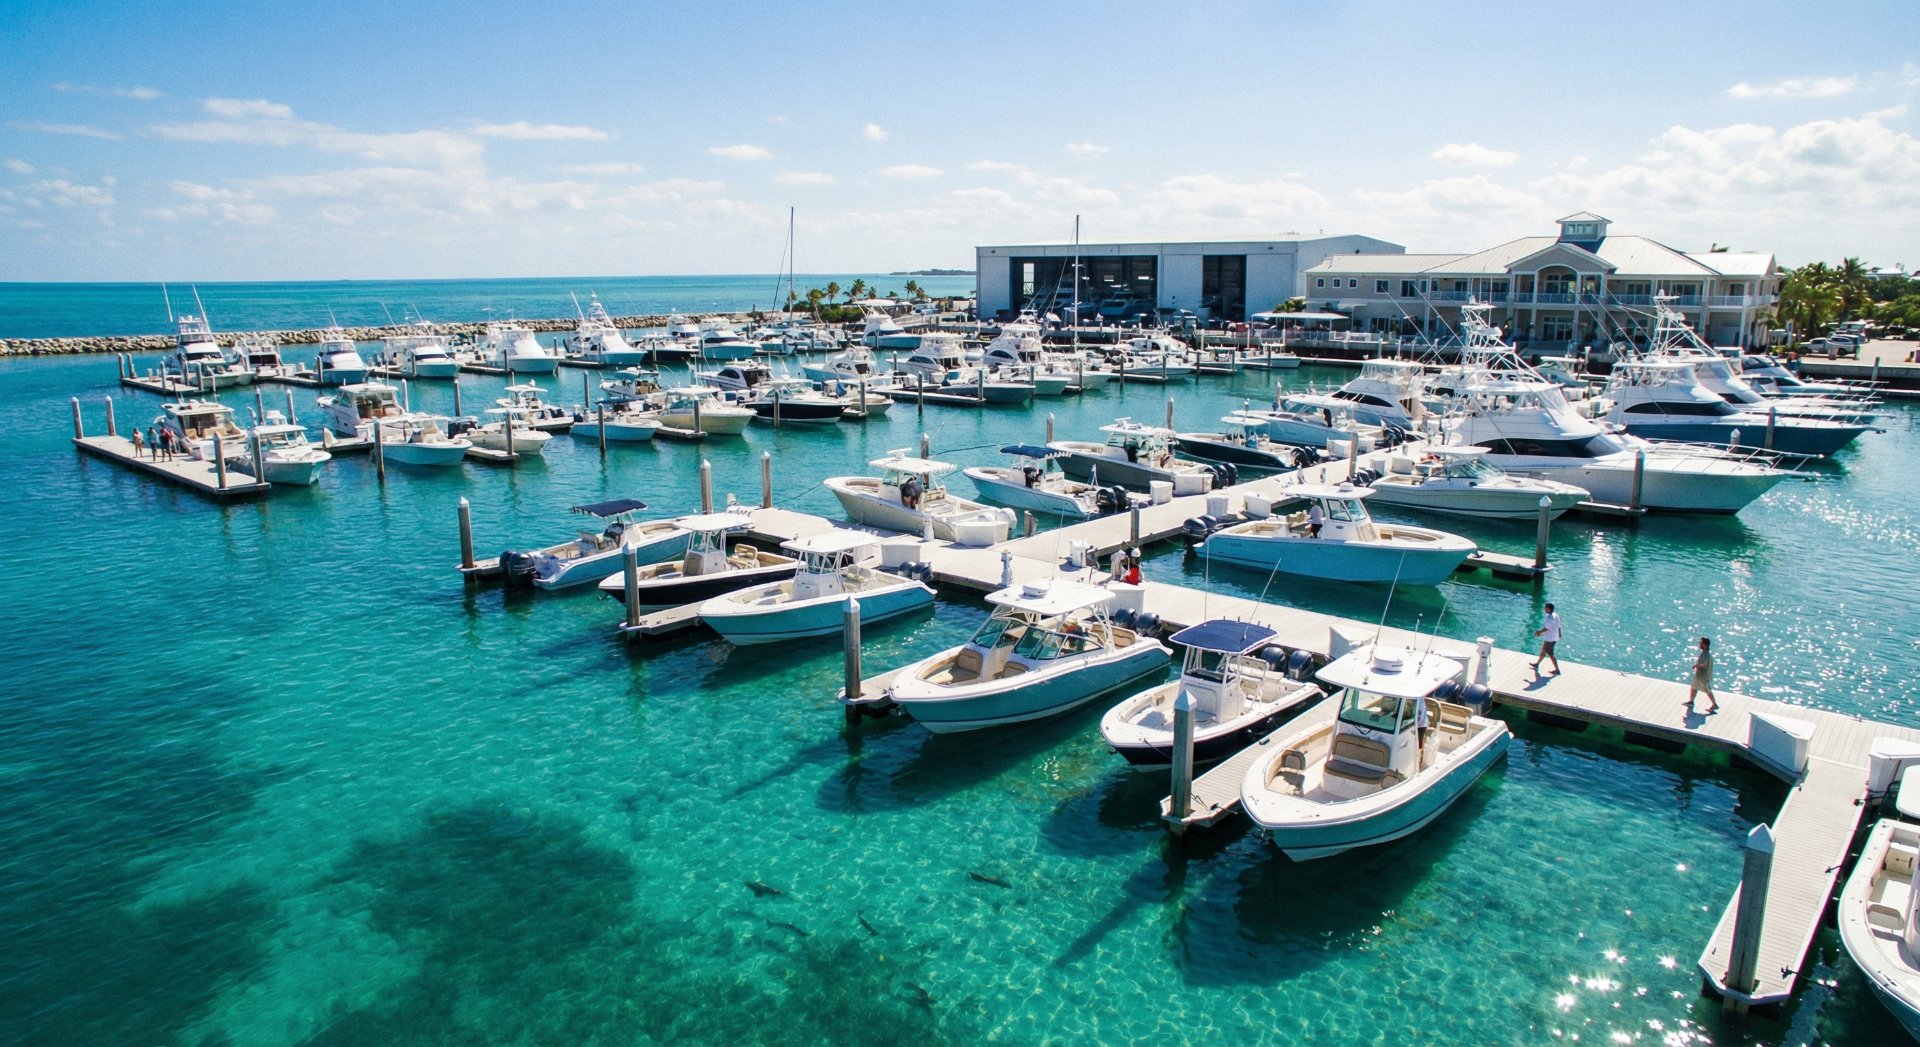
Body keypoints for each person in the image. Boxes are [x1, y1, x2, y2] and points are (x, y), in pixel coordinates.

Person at [1688, 636, 1717, 711]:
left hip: (1703, 677)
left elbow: (1704, 664)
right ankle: (1691, 701)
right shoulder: (1704, 653)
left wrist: (1697, 665)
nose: (1700, 644)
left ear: (1705, 645)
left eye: (1701, 643)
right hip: (1699, 675)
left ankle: (1714, 704)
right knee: (1694, 687)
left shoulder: (1707, 655)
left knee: (1707, 690)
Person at [1531, 603, 1562, 674]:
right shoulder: (1556, 615)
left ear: (1549, 609)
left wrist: (1539, 632)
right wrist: (1559, 633)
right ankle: (1537, 664)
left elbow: (1546, 628)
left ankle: (1557, 670)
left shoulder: (1549, 618)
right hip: (1554, 637)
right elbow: (1559, 625)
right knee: (1543, 651)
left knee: (1551, 654)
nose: (1544, 609)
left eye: (1545, 608)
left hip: (1549, 639)